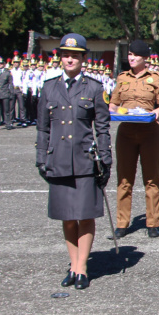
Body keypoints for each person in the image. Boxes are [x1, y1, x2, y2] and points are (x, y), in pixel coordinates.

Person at [35, 34, 112, 290]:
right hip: (57, 160)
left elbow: (102, 128)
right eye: (66, 55)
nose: (70, 59)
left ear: (83, 59)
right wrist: (40, 159)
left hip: (84, 160)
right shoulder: (49, 88)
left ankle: (82, 268)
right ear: (60, 57)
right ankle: (73, 264)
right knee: (67, 218)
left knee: (85, 215)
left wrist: (106, 160)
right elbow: (43, 128)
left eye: (76, 55)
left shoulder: (94, 88)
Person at [109, 39, 159, 239]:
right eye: (130, 55)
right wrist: (123, 111)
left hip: (150, 132)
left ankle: (153, 223)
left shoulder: (155, 78)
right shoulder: (121, 78)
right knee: (124, 180)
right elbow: (113, 105)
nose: (131, 58)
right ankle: (122, 224)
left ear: (145, 58)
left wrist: (158, 112)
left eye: (136, 55)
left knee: (151, 179)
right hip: (126, 132)